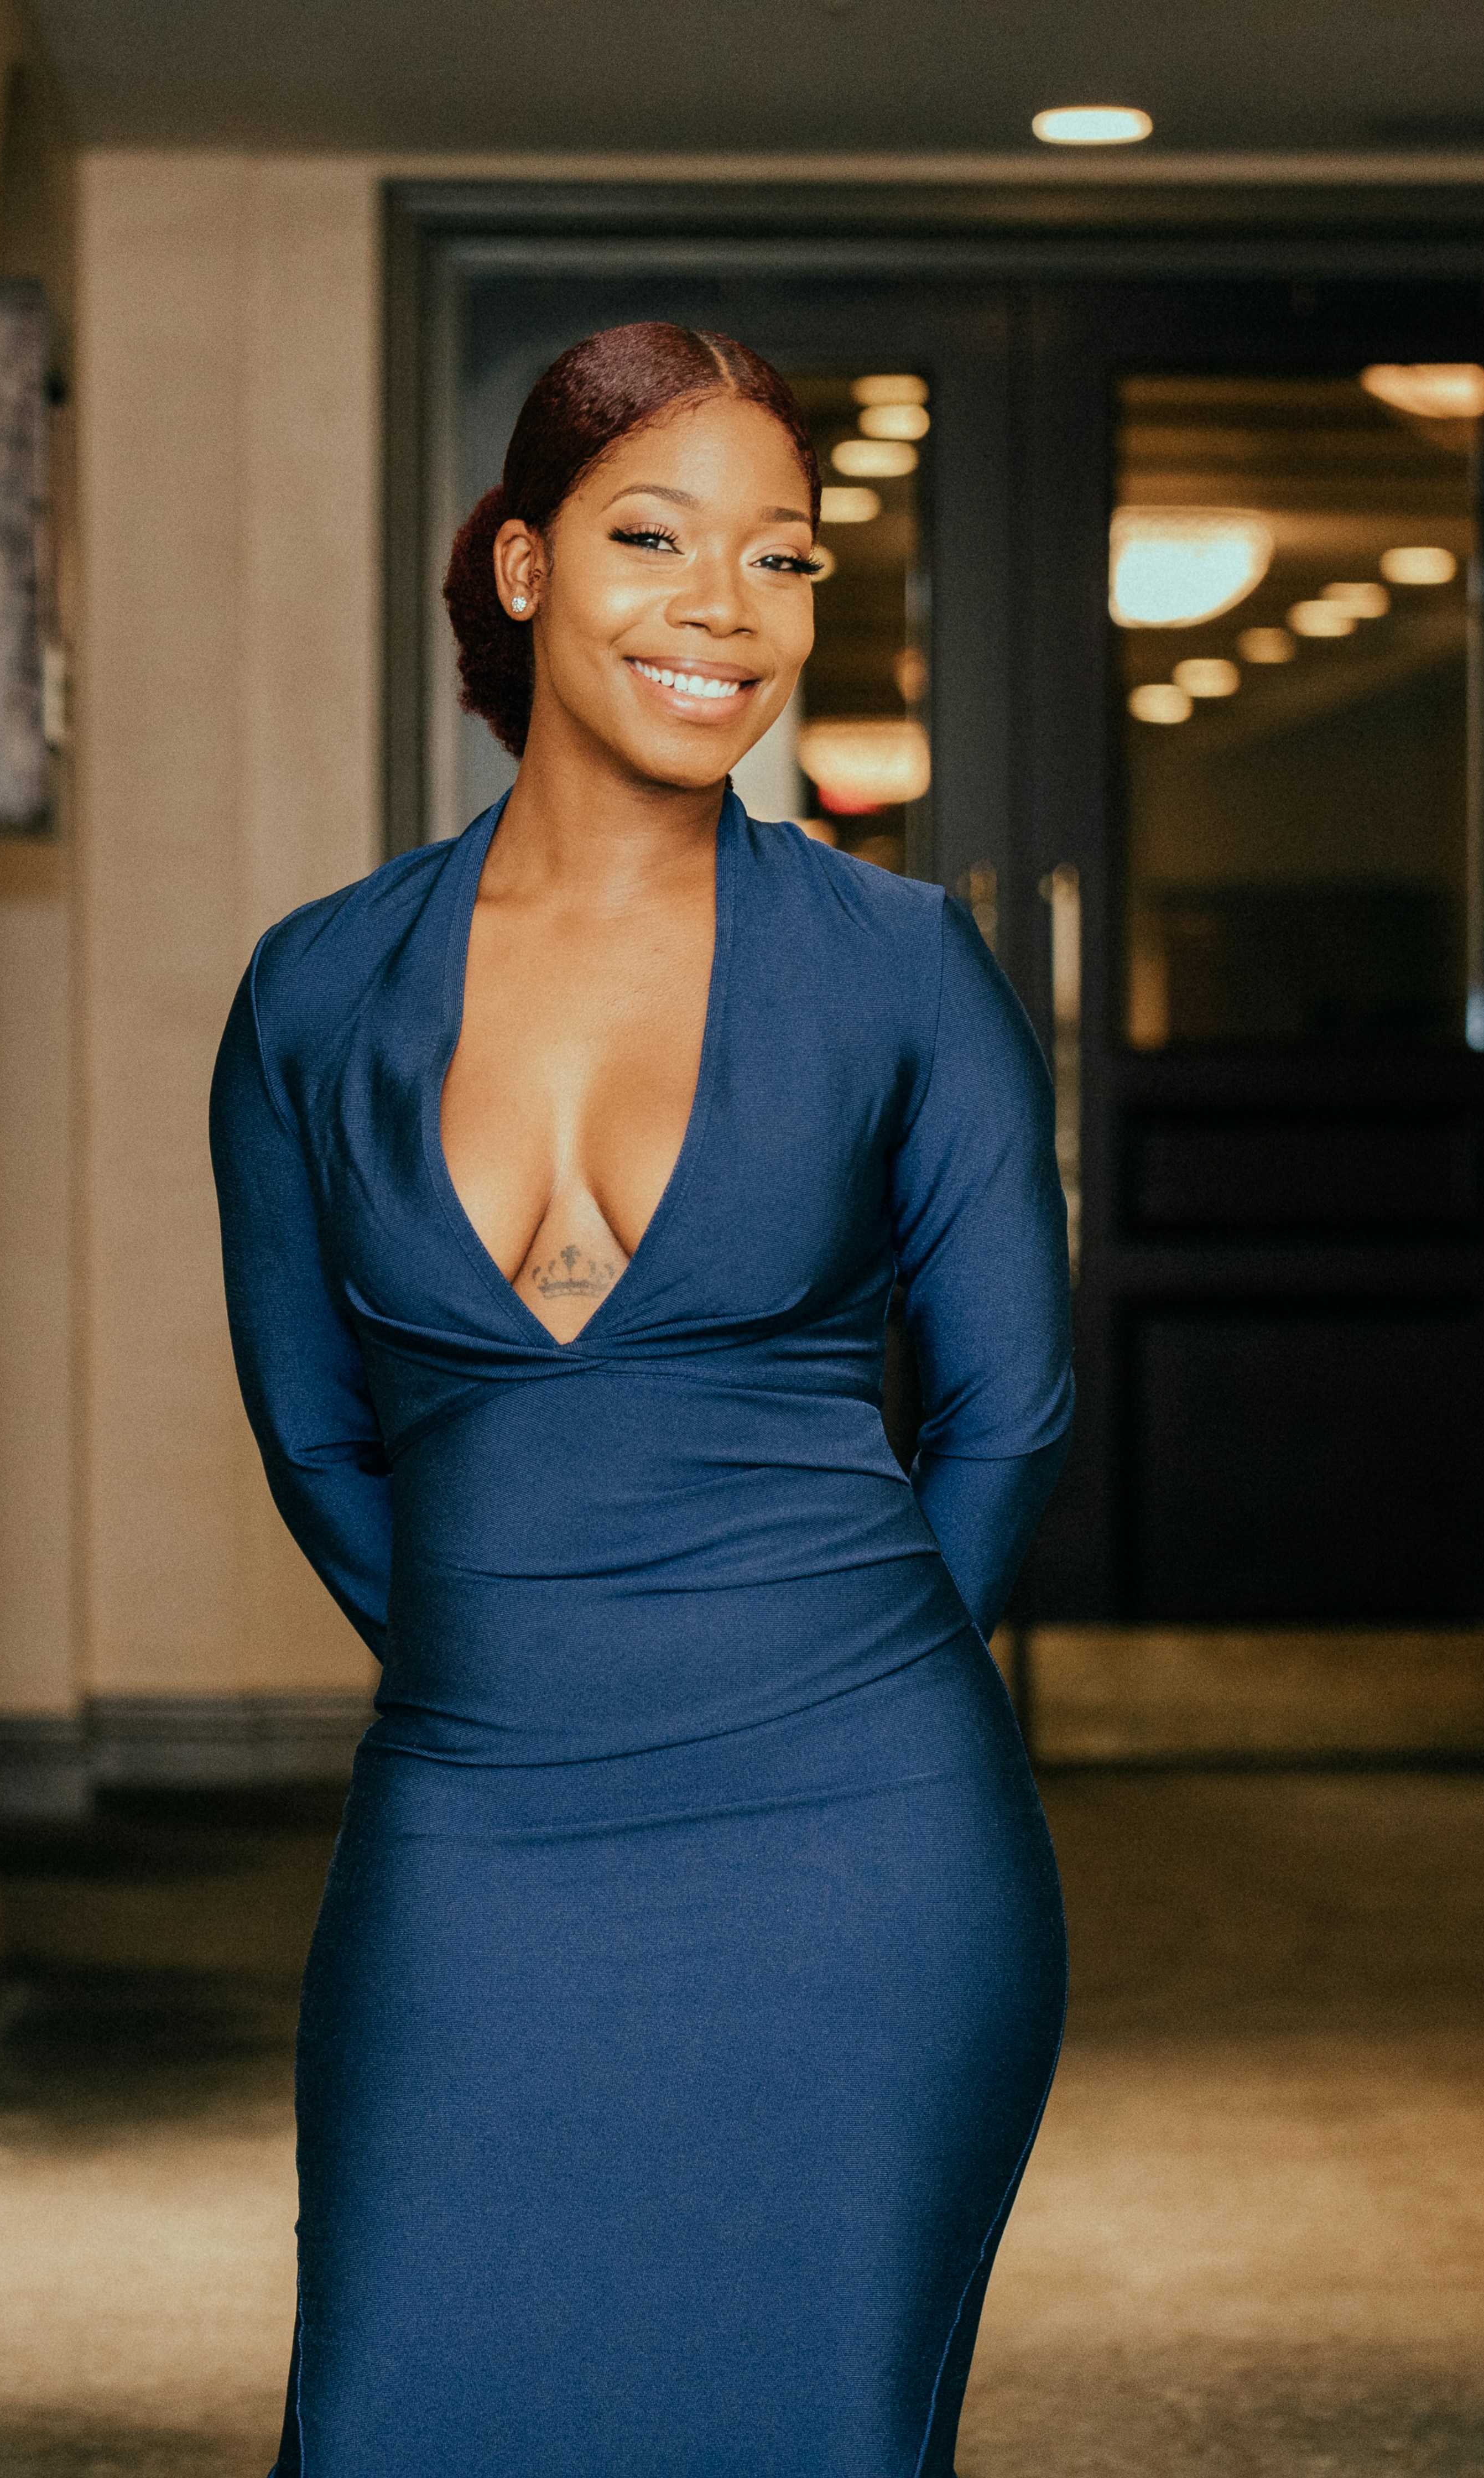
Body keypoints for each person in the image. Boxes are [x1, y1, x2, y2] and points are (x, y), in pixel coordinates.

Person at [209, 321, 1075, 2475]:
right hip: (476, 1833)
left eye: (782, 560)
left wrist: (845, 1692)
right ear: (520, 566)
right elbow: (316, 1429)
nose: (725, 610)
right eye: (655, 537)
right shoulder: (317, 988)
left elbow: (1015, 1405)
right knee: (404, 2410)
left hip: (860, 1850)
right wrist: (510, 1665)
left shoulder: (899, 971)